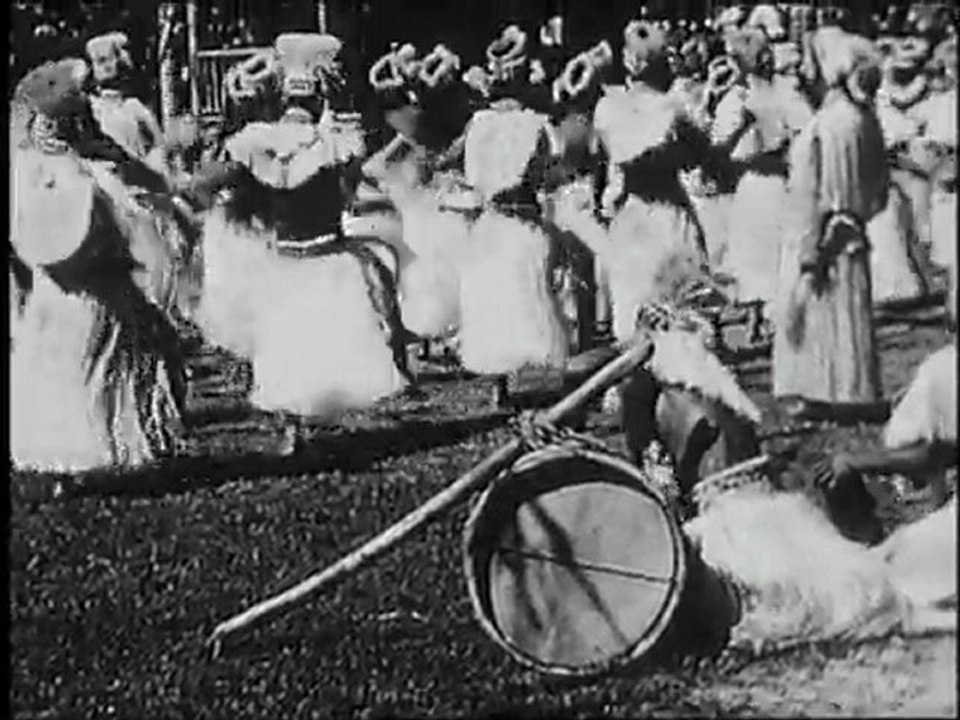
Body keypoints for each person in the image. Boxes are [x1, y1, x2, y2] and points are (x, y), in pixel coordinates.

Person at [192, 33, 411, 454]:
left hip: (283, 258)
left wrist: (241, 204)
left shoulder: (257, 143)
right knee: (326, 339)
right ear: (319, 97)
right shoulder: (333, 142)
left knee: (286, 343)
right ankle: (313, 420)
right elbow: (351, 184)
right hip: (328, 254)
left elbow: (207, 183)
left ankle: (292, 429)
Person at [10, 58, 186, 472]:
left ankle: (80, 457)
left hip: (74, 292)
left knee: (85, 369)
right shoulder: (70, 173)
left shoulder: (72, 168)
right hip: (81, 292)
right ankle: (84, 453)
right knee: (93, 368)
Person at [591, 20, 738, 346]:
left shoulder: (608, 110)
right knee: (681, 317)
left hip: (632, 217)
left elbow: (605, 159)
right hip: (670, 214)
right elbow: (703, 157)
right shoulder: (674, 109)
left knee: (636, 318)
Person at [771, 28, 888, 410]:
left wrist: (811, 244)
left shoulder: (825, 126)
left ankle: (824, 393)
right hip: (851, 229)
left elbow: (815, 192)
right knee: (845, 313)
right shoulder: (864, 120)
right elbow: (879, 187)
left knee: (820, 312)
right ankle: (849, 389)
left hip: (823, 231)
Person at [454, 24, 569, 391]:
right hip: (522, 218)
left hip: (489, 222)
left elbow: (467, 173)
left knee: (496, 297)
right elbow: (550, 174)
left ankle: (502, 382)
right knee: (524, 294)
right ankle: (520, 376)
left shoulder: (478, 124)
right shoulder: (538, 125)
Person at [710, 26, 812, 341]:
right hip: (752, 181)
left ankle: (778, 317)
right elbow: (718, 147)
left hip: (781, 180)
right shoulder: (736, 99)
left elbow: (805, 128)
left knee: (779, 249)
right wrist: (742, 125)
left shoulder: (785, 91)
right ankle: (754, 318)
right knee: (752, 252)